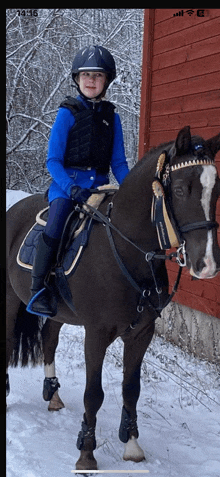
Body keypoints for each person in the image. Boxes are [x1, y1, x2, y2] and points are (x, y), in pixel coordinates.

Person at [27, 45, 130, 318]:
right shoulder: (67, 112)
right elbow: (53, 161)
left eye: (97, 76)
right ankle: (38, 289)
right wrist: (71, 188)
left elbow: (118, 163)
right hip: (66, 186)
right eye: (85, 75)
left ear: (106, 80)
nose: (90, 81)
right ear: (77, 78)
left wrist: (130, 190)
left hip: (99, 188)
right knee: (57, 220)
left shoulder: (113, 118)